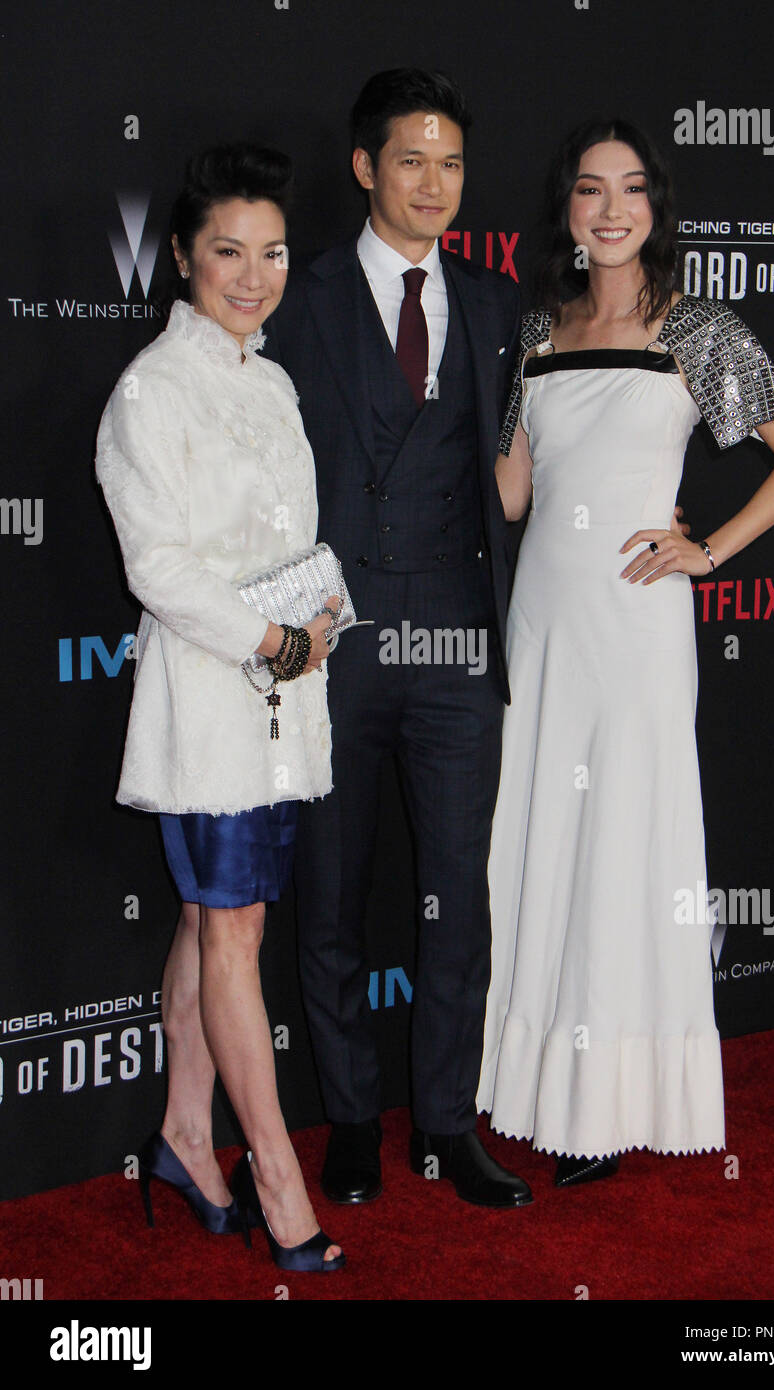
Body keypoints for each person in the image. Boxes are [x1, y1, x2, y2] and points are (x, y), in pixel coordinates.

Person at [477, 118, 774, 1186]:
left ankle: (611, 1102)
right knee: (535, 835)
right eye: (589, 190)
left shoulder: (699, 330)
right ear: (567, 211)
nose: (611, 208)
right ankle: (526, 1084)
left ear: (655, 206)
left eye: (631, 189)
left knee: (626, 844)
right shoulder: (534, 328)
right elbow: (510, 493)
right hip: (541, 621)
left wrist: (704, 547)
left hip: (634, 630)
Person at [263, 69, 532, 1207]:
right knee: (328, 894)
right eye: (411, 161)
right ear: (366, 166)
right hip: (337, 643)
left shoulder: (489, 302)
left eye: (453, 164)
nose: (435, 185)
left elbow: (524, 464)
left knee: (455, 895)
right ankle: (352, 1126)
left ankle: (441, 1125)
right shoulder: (299, 291)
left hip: (458, 646)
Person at [95, 143, 345, 1270]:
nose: (252, 275)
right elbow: (158, 566)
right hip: (210, 706)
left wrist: (314, 615)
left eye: (272, 252)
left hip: (281, 703)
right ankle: (278, 1180)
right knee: (235, 928)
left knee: (212, 923)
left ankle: (185, 1134)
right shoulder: (153, 386)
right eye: (227, 253)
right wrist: (275, 638)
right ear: (183, 259)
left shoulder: (271, 376)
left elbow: (283, 543)